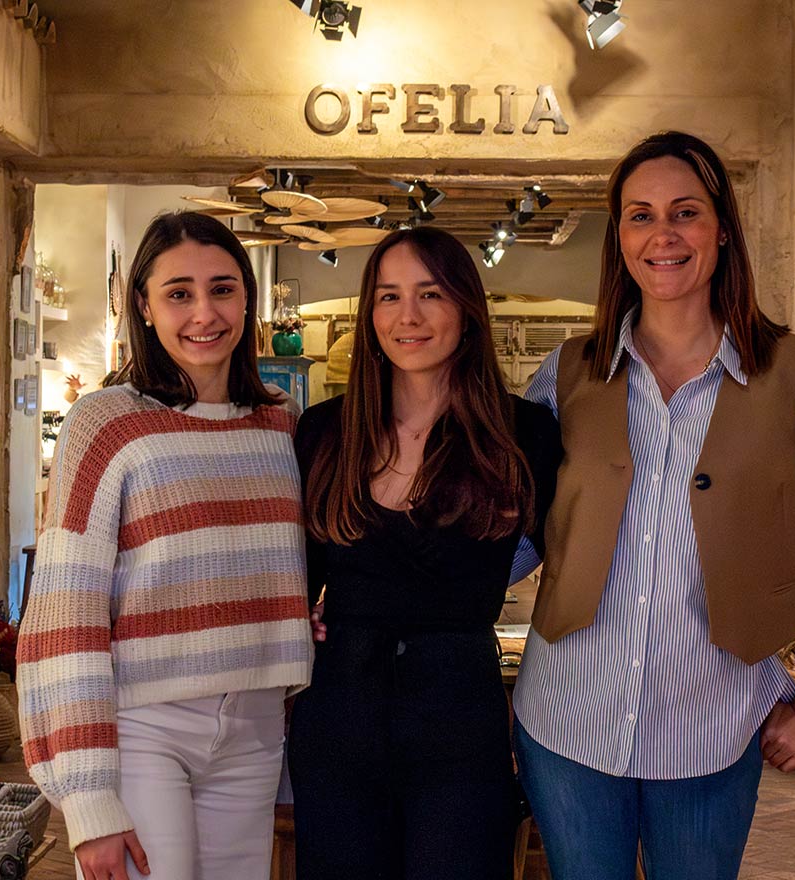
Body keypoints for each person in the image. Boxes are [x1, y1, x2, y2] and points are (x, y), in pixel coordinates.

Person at [510, 131, 795, 880]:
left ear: (721, 230)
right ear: (619, 237)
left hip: (714, 722)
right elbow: (514, 534)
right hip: (566, 718)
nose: (663, 235)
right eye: (640, 216)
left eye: (685, 212)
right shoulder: (566, 375)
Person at [17, 211, 313, 880]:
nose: (203, 312)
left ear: (248, 300)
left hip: (257, 726)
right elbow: (65, 613)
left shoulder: (279, 424)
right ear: (144, 307)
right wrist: (88, 797)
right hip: (142, 729)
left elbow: (282, 565)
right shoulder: (107, 422)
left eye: (223, 289)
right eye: (178, 292)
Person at [288, 226, 561, 880]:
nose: (406, 316)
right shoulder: (325, 432)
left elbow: (575, 559)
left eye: (429, 294)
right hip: (339, 721)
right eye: (388, 296)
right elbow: (294, 581)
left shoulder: (524, 433)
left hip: (460, 725)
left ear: (466, 310)